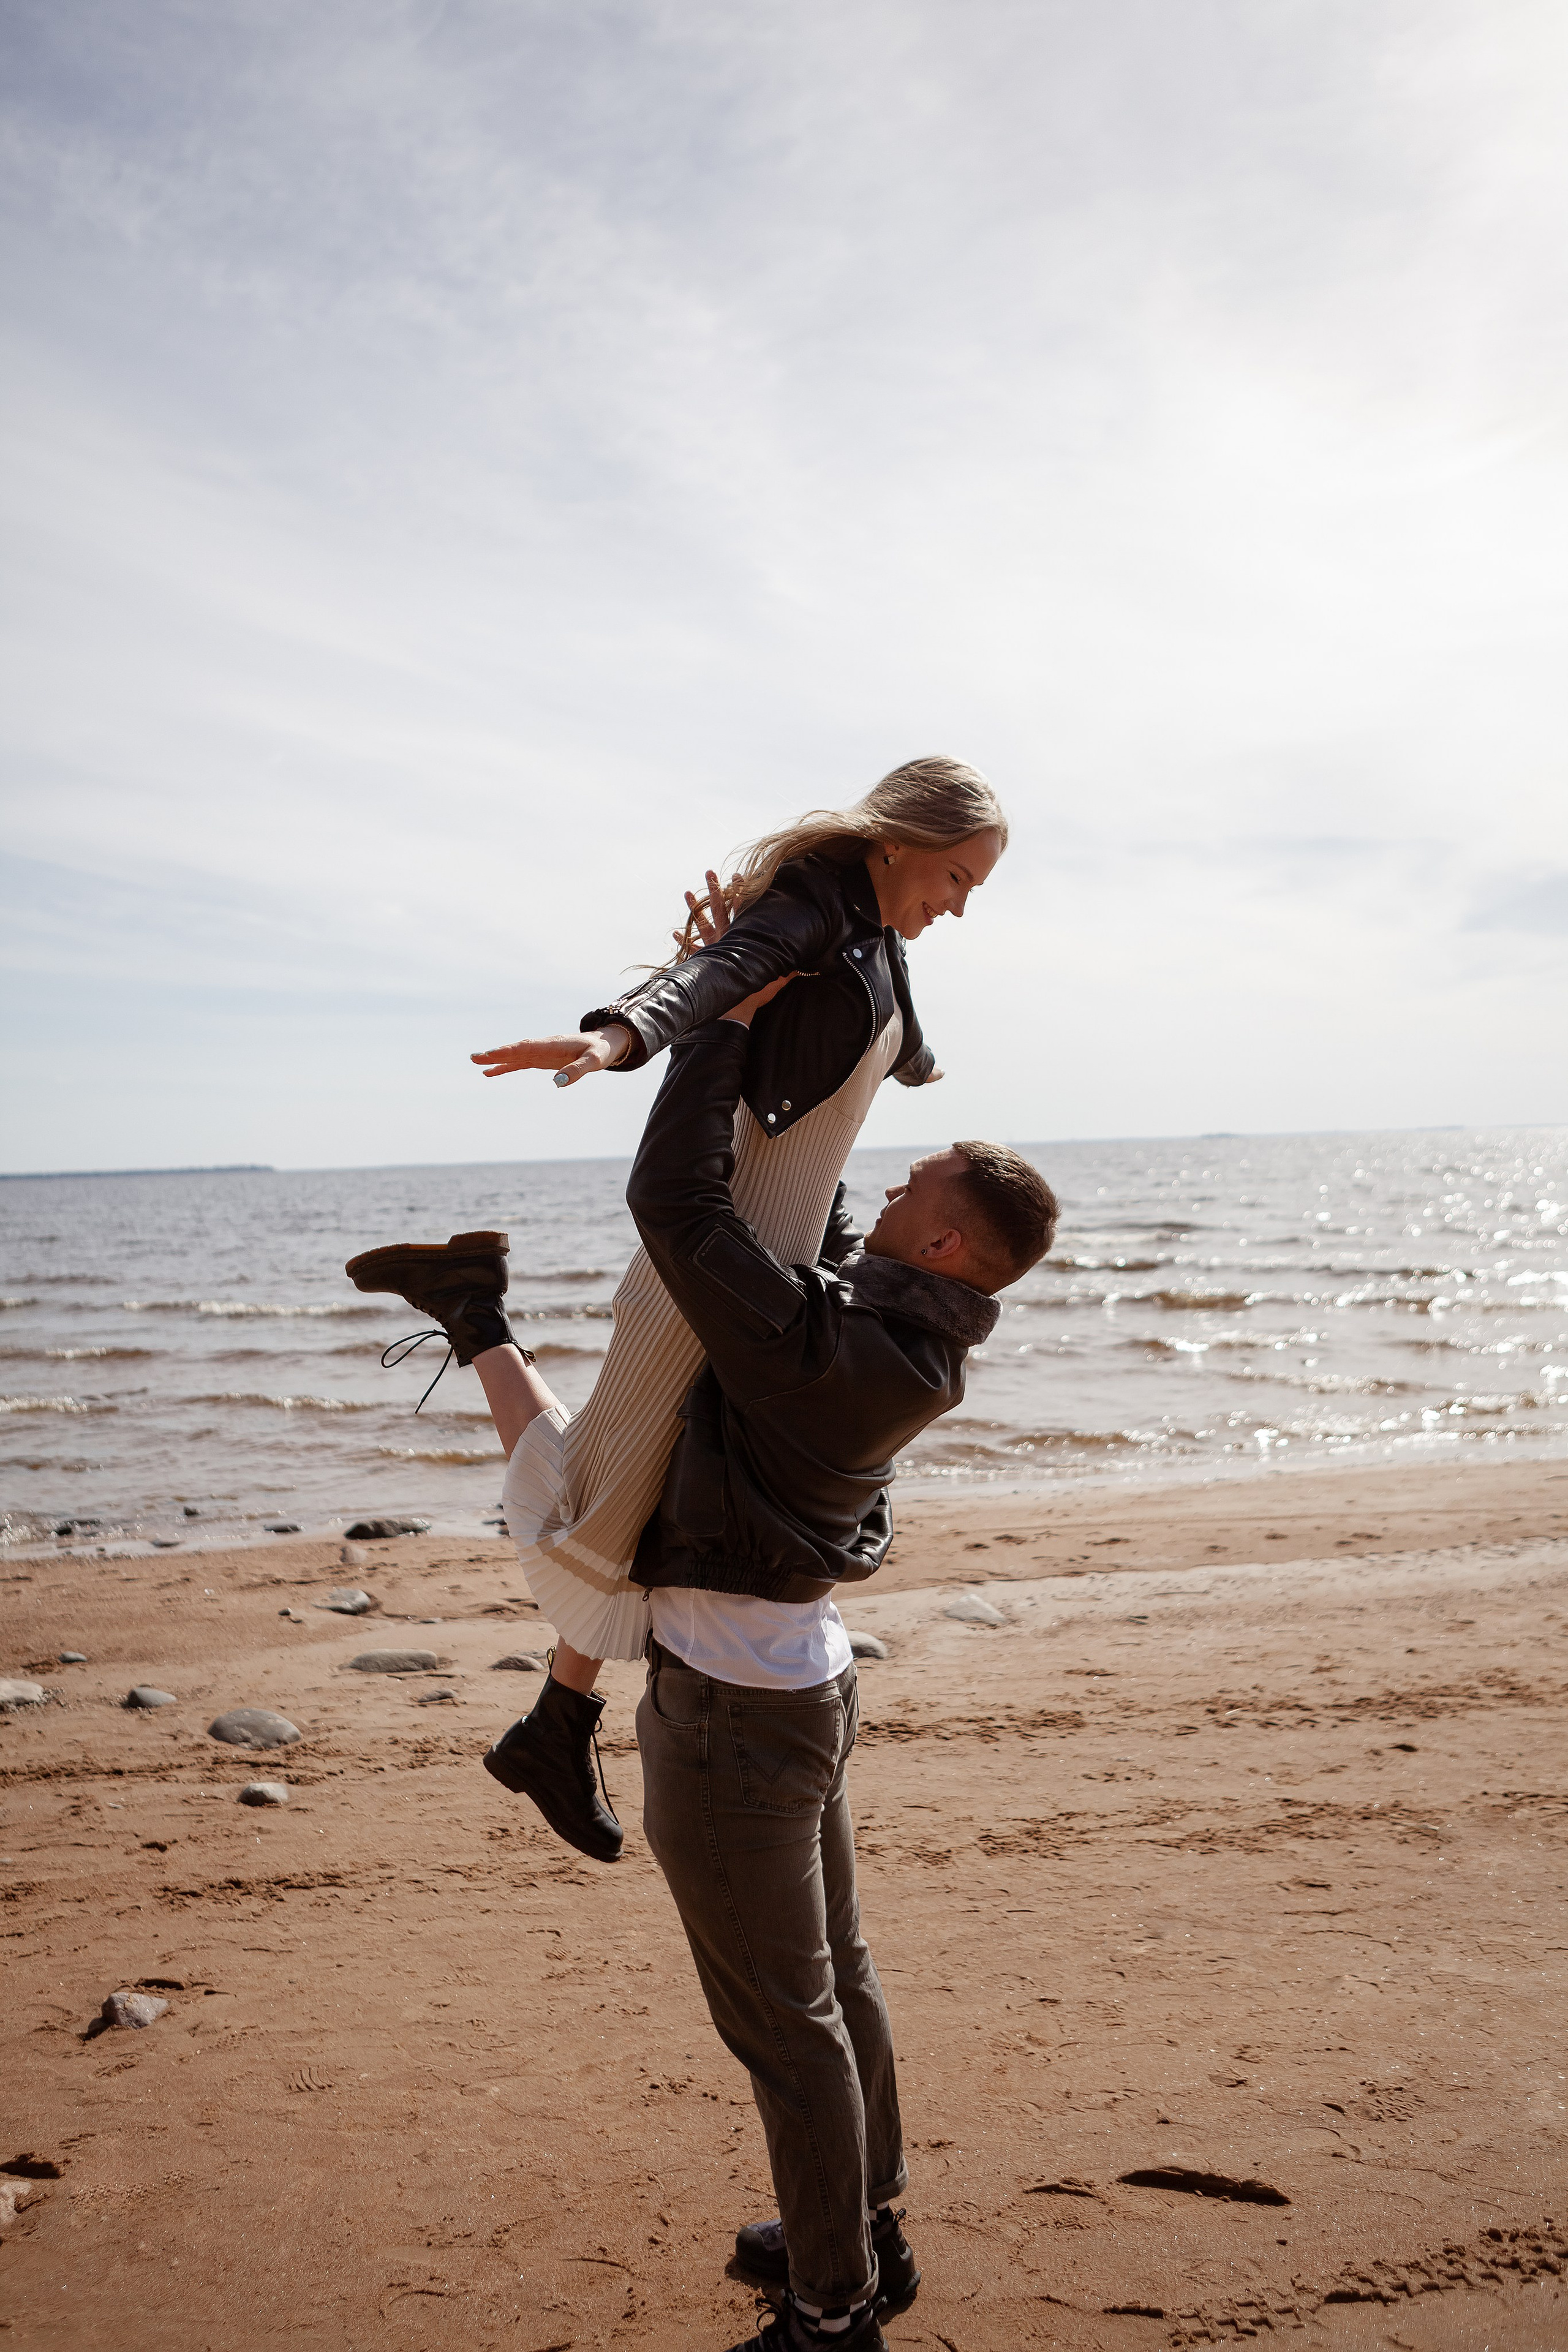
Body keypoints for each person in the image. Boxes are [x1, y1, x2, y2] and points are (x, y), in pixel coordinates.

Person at [344, 983, 1058, 2352]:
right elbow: (806, 1207)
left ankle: (830, 2310)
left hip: (735, 1718)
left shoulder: (829, 1346)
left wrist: (719, 1020)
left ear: (951, 1237)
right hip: (795, 1690)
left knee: (788, 2029)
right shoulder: (889, 1327)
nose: (890, 1183)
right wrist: (816, 1055)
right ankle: (866, 2230)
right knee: (834, 1982)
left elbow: (677, 1205)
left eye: (916, 1179)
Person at [440, 756, 1008, 1850]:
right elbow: (721, 976)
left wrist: (918, 1063)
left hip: (779, 1249)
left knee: (643, 1485)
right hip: (715, 1243)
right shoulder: (811, 913)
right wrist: (617, 1036)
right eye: (956, 877)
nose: (959, 904)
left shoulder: (880, 939)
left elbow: (883, 1031)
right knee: (613, 1487)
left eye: (975, 887)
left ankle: (557, 1723)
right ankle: (555, 1723)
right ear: (896, 841)